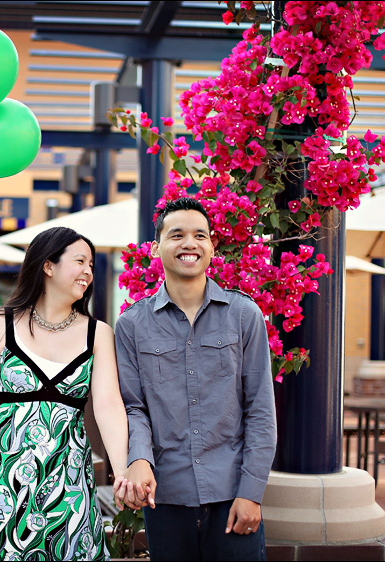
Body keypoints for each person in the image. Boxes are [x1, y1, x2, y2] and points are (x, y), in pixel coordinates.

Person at [0, 226, 129, 561]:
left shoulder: (98, 334)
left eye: (91, 265)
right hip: (0, 480)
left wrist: (122, 472)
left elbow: (109, 407)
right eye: (79, 261)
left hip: (67, 481)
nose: (88, 271)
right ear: (48, 265)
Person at [114, 198, 277, 561]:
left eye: (200, 235)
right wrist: (139, 459)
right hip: (166, 496)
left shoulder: (243, 315)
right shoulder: (131, 325)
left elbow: (261, 410)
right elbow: (134, 407)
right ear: (156, 248)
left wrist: (251, 493)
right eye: (177, 235)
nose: (190, 243)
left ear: (212, 246)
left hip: (232, 493)